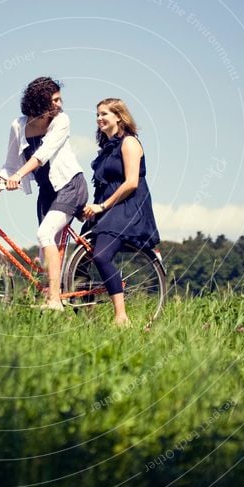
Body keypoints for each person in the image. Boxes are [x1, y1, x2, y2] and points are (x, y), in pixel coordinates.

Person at [0, 77, 88, 310]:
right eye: (55, 100)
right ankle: (52, 297)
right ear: (40, 102)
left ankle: (54, 300)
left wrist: (18, 176)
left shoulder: (61, 121)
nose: (60, 104)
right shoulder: (18, 126)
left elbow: (41, 155)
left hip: (70, 186)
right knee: (44, 253)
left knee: (44, 234)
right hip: (48, 192)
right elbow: (10, 165)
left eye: (60, 99)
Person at [82, 98, 160, 326]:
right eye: (97, 115)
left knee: (101, 255)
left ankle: (121, 316)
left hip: (127, 208)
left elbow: (131, 183)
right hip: (105, 208)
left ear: (119, 116)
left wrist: (103, 206)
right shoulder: (105, 151)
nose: (99, 118)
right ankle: (83, 315)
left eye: (104, 113)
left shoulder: (129, 143)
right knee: (79, 260)